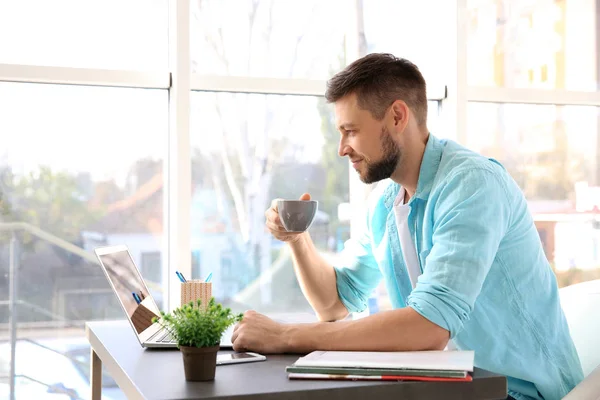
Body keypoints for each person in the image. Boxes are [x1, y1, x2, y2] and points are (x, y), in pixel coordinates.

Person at [230, 53, 583, 400]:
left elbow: (429, 327)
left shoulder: (472, 185)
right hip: (445, 388)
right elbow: (337, 302)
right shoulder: (386, 202)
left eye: (350, 131)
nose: (342, 149)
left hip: (517, 393)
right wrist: (297, 239)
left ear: (398, 116)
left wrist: (286, 336)